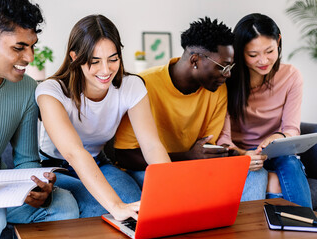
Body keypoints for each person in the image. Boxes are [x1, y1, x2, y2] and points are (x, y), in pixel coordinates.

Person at [0, 0, 80, 239]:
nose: (30, 57)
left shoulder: (26, 89)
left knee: (63, 204)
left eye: (32, 46)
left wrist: (36, 185)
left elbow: (27, 160)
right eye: (19, 47)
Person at [36, 14, 171, 220]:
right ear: (74, 57)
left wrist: (173, 190)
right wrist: (116, 206)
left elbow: (152, 145)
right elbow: (74, 152)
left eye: (113, 59)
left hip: (99, 162)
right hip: (56, 168)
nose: (106, 70)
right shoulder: (51, 90)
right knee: (101, 209)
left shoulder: (131, 86)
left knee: (134, 205)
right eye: (95, 61)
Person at [114, 17, 236, 188]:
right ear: (195, 61)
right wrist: (186, 156)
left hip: (191, 168)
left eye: (230, 67)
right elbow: (124, 155)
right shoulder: (143, 84)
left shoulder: (217, 89)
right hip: (145, 170)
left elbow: (205, 149)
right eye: (223, 67)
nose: (228, 74)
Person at [217, 13, 312, 208]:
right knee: (269, 179)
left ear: (278, 41)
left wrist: (278, 136)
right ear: (240, 52)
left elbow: (292, 128)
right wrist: (242, 155)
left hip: (275, 152)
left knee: (290, 161)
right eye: (253, 55)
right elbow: (223, 139)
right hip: (239, 154)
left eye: (269, 51)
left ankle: (307, 231)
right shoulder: (226, 80)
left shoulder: (291, 75)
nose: (263, 60)